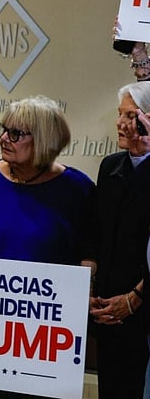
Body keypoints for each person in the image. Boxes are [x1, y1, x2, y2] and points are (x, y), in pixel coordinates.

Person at [0, 95, 94, 398]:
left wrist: (88, 272)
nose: (4, 138)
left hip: (44, 333)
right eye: (4, 129)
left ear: (44, 139)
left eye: (16, 133)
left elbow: (93, 247)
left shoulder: (77, 188)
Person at [81, 82, 150, 398]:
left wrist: (134, 299)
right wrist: (91, 289)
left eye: (130, 116)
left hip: (142, 313)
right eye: (120, 114)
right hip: (107, 311)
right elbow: (95, 233)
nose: (120, 123)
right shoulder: (111, 167)